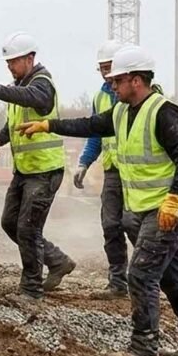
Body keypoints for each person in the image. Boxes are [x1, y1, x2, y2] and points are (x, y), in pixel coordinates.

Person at [17, 44, 178, 356]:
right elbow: (90, 125)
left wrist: (175, 198)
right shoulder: (122, 112)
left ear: (136, 80)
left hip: (168, 210)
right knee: (173, 279)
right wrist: (49, 125)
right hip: (145, 209)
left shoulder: (164, 112)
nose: (111, 86)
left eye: (117, 81)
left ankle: (143, 351)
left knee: (141, 275)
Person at [0, 32, 76, 301]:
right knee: (9, 223)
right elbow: (9, 131)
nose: (10, 67)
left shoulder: (41, 84)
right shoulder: (21, 89)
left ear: (30, 58)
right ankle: (57, 261)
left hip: (44, 171)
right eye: (8, 63)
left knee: (28, 229)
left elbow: (31, 97)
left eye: (13, 61)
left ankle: (31, 290)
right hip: (25, 172)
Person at [74, 39, 128, 297]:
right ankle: (118, 283)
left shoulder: (137, 92)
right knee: (111, 225)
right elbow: (95, 133)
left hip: (139, 172)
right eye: (102, 69)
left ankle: (151, 280)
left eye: (109, 68)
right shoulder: (99, 97)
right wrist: (84, 162)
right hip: (113, 172)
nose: (106, 75)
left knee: (138, 226)